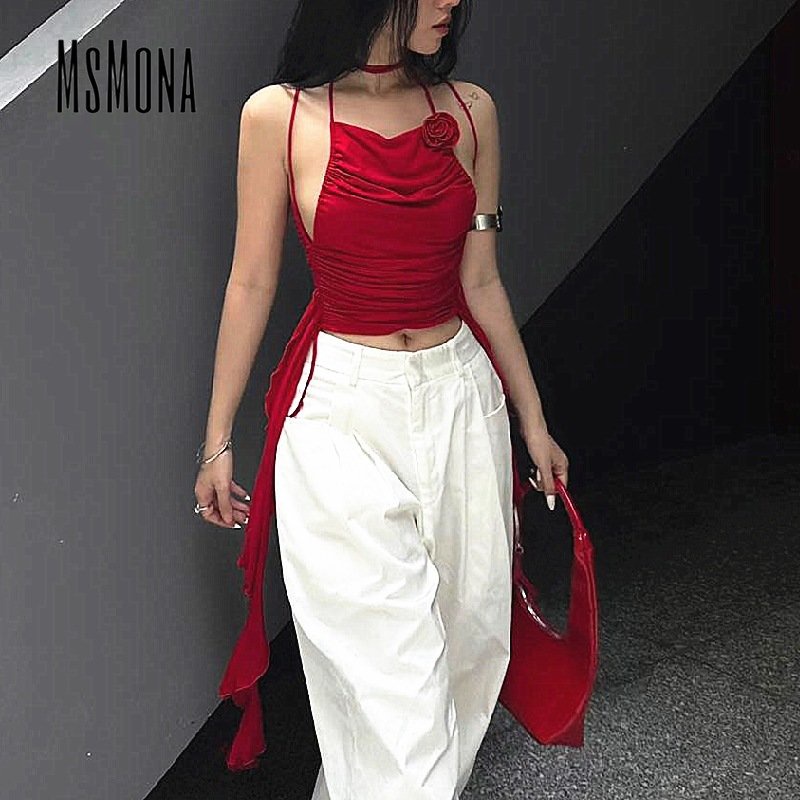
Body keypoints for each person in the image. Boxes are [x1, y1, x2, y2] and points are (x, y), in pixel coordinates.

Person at [193, 0, 569, 797]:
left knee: (469, 654)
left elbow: (482, 281)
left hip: (461, 398)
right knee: (394, 678)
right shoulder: (279, 116)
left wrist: (533, 421)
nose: (451, 2)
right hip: (340, 413)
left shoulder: (470, 111)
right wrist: (217, 439)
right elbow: (251, 281)